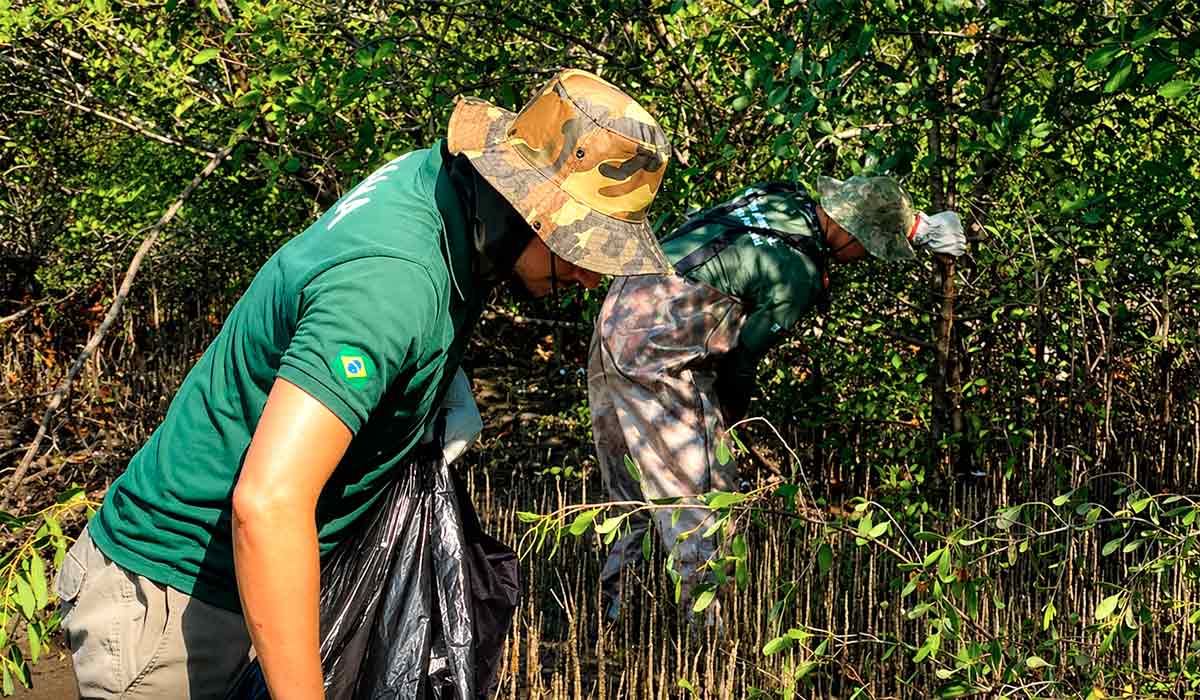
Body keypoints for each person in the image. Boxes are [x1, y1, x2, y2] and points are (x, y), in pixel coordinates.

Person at [54, 68, 673, 700]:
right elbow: (267, 505)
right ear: (522, 210)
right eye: (581, 247)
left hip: (250, 590)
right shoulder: (390, 284)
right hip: (177, 605)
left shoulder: (443, 190)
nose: (589, 277)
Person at [587, 176, 966, 619]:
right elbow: (743, 358)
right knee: (704, 496)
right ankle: (708, 629)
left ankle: (617, 611)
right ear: (850, 233)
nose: (865, 258)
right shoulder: (796, 275)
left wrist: (919, 229)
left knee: (628, 486)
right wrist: (730, 418)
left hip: (618, 310)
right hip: (656, 347)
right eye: (868, 248)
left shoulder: (784, 198)